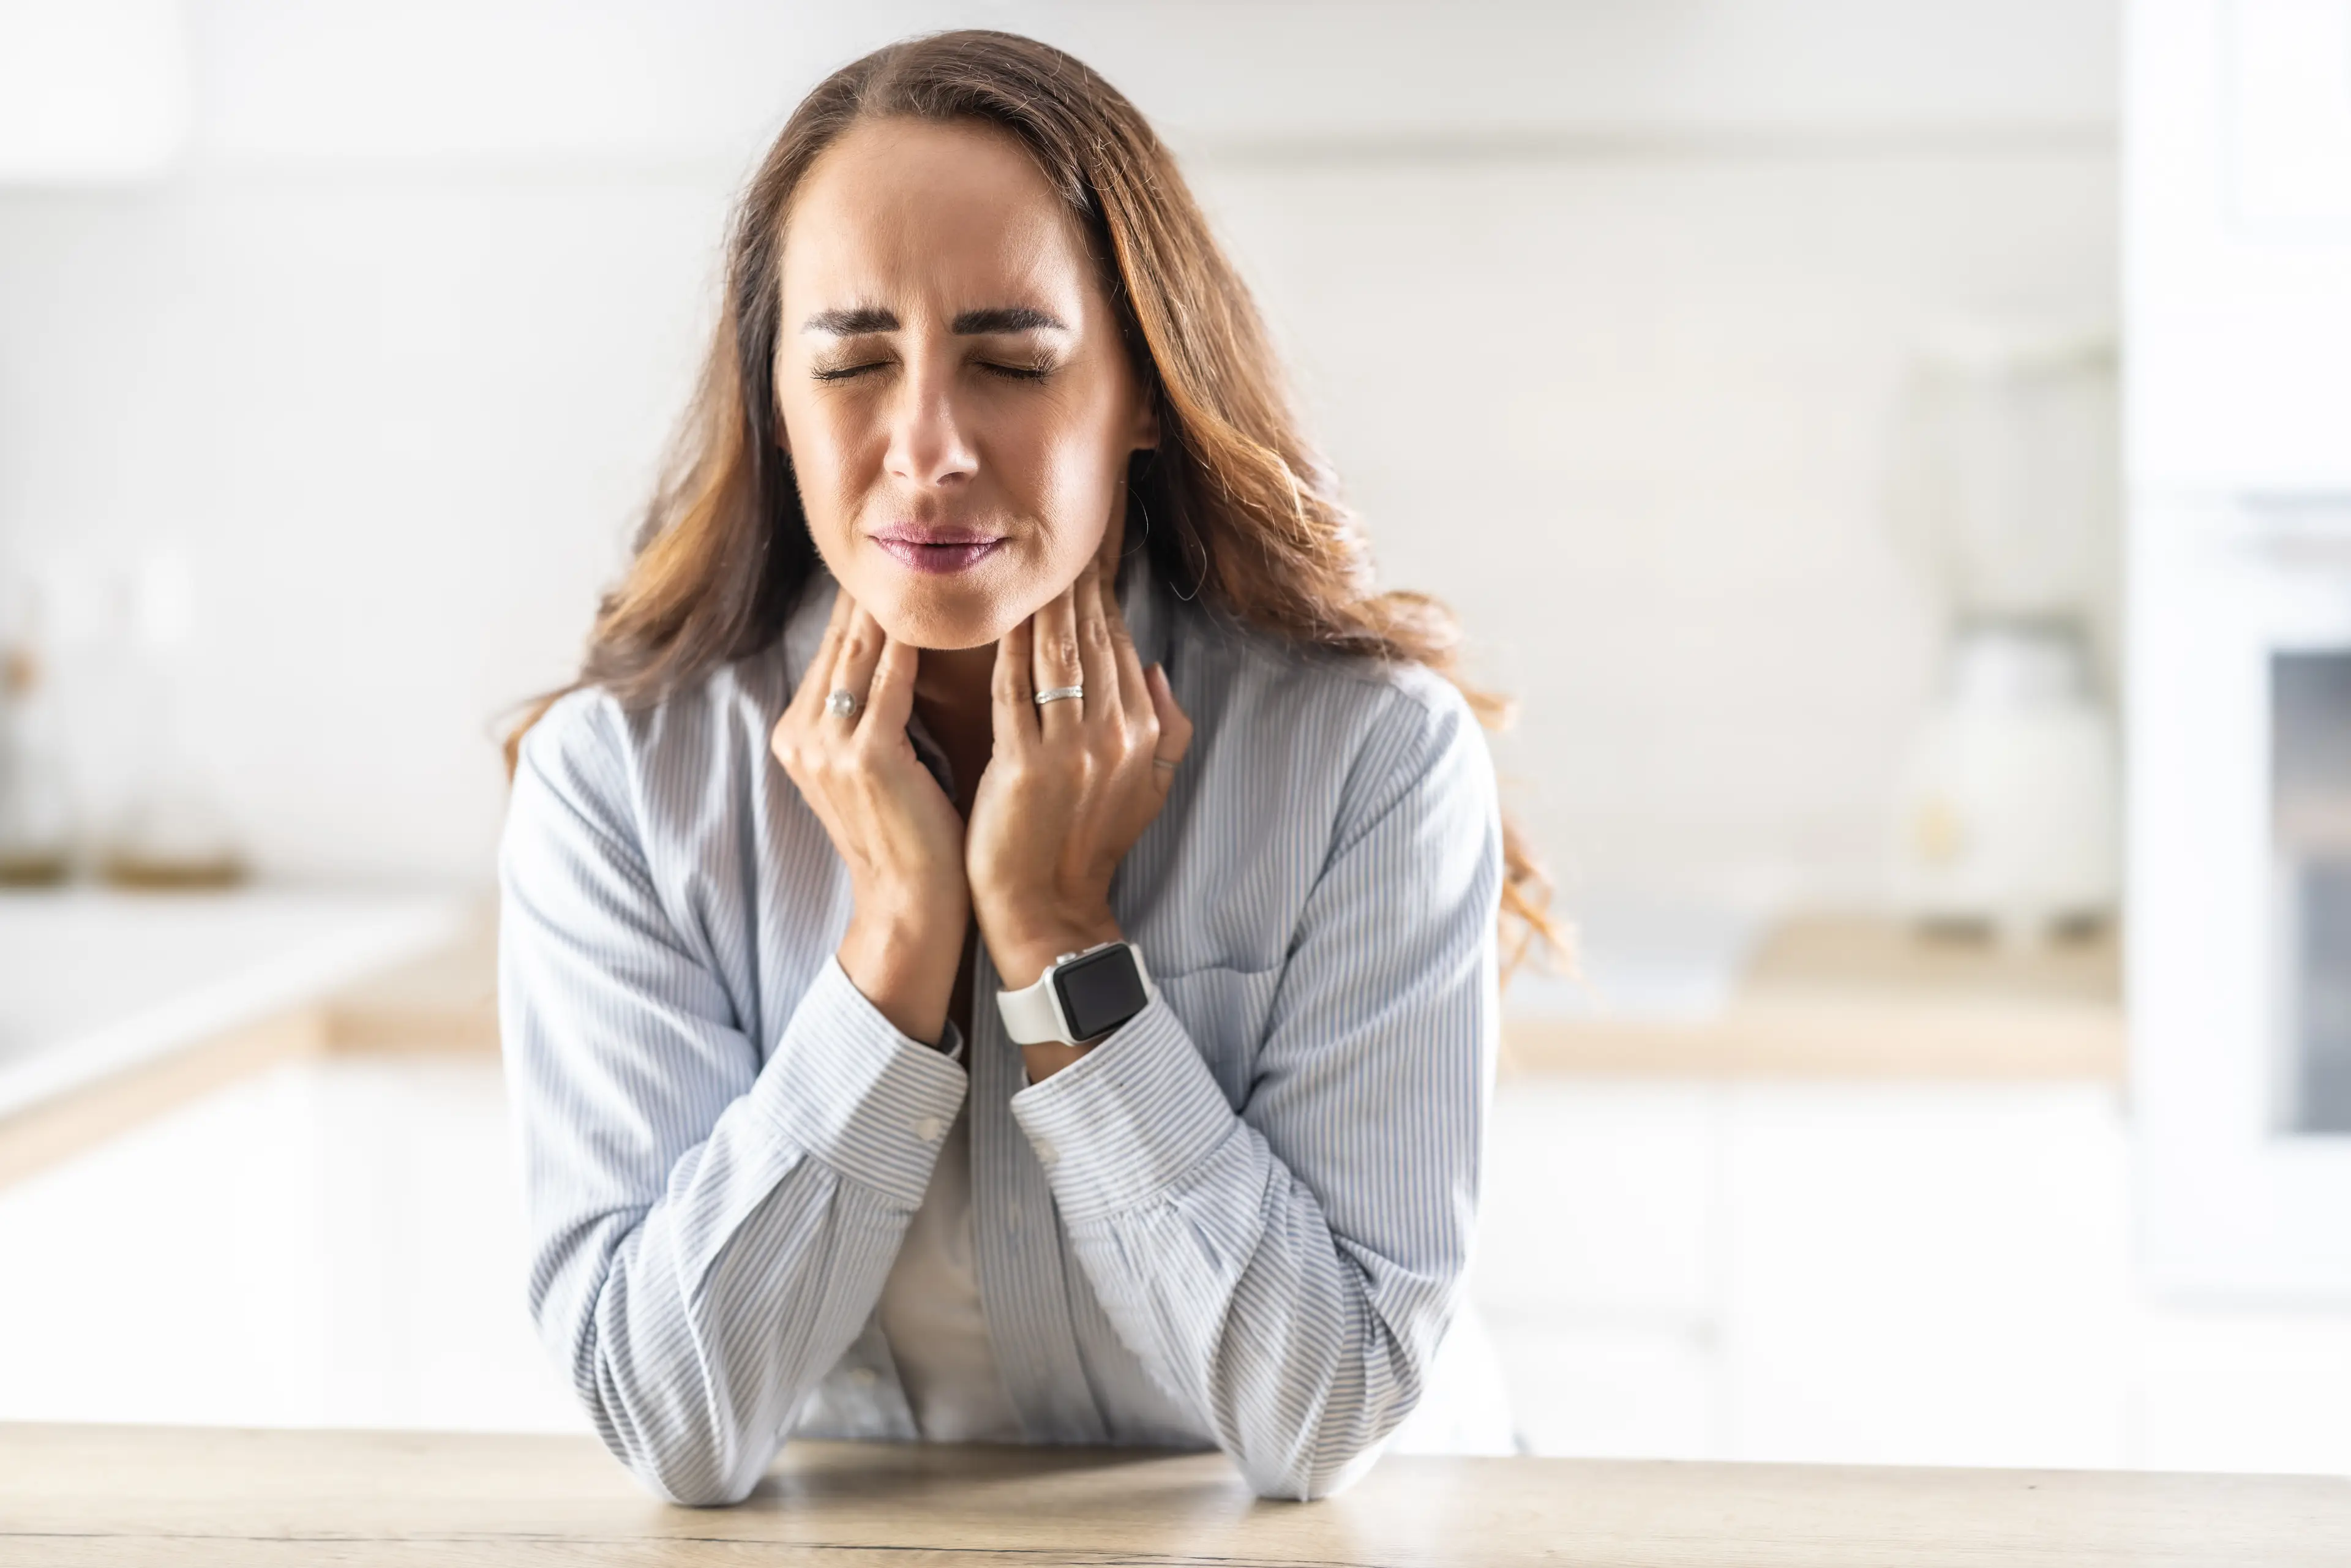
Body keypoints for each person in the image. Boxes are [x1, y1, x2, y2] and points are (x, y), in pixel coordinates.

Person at [497, 29, 1560, 1508]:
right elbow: (671, 1417)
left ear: (1140, 392)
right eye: (853, 361)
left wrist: (1061, 936)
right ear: (777, 401)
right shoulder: (616, 786)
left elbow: (1322, 1412)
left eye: (1009, 360)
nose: (925, 446)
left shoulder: (1371, 757)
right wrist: (891, 950)